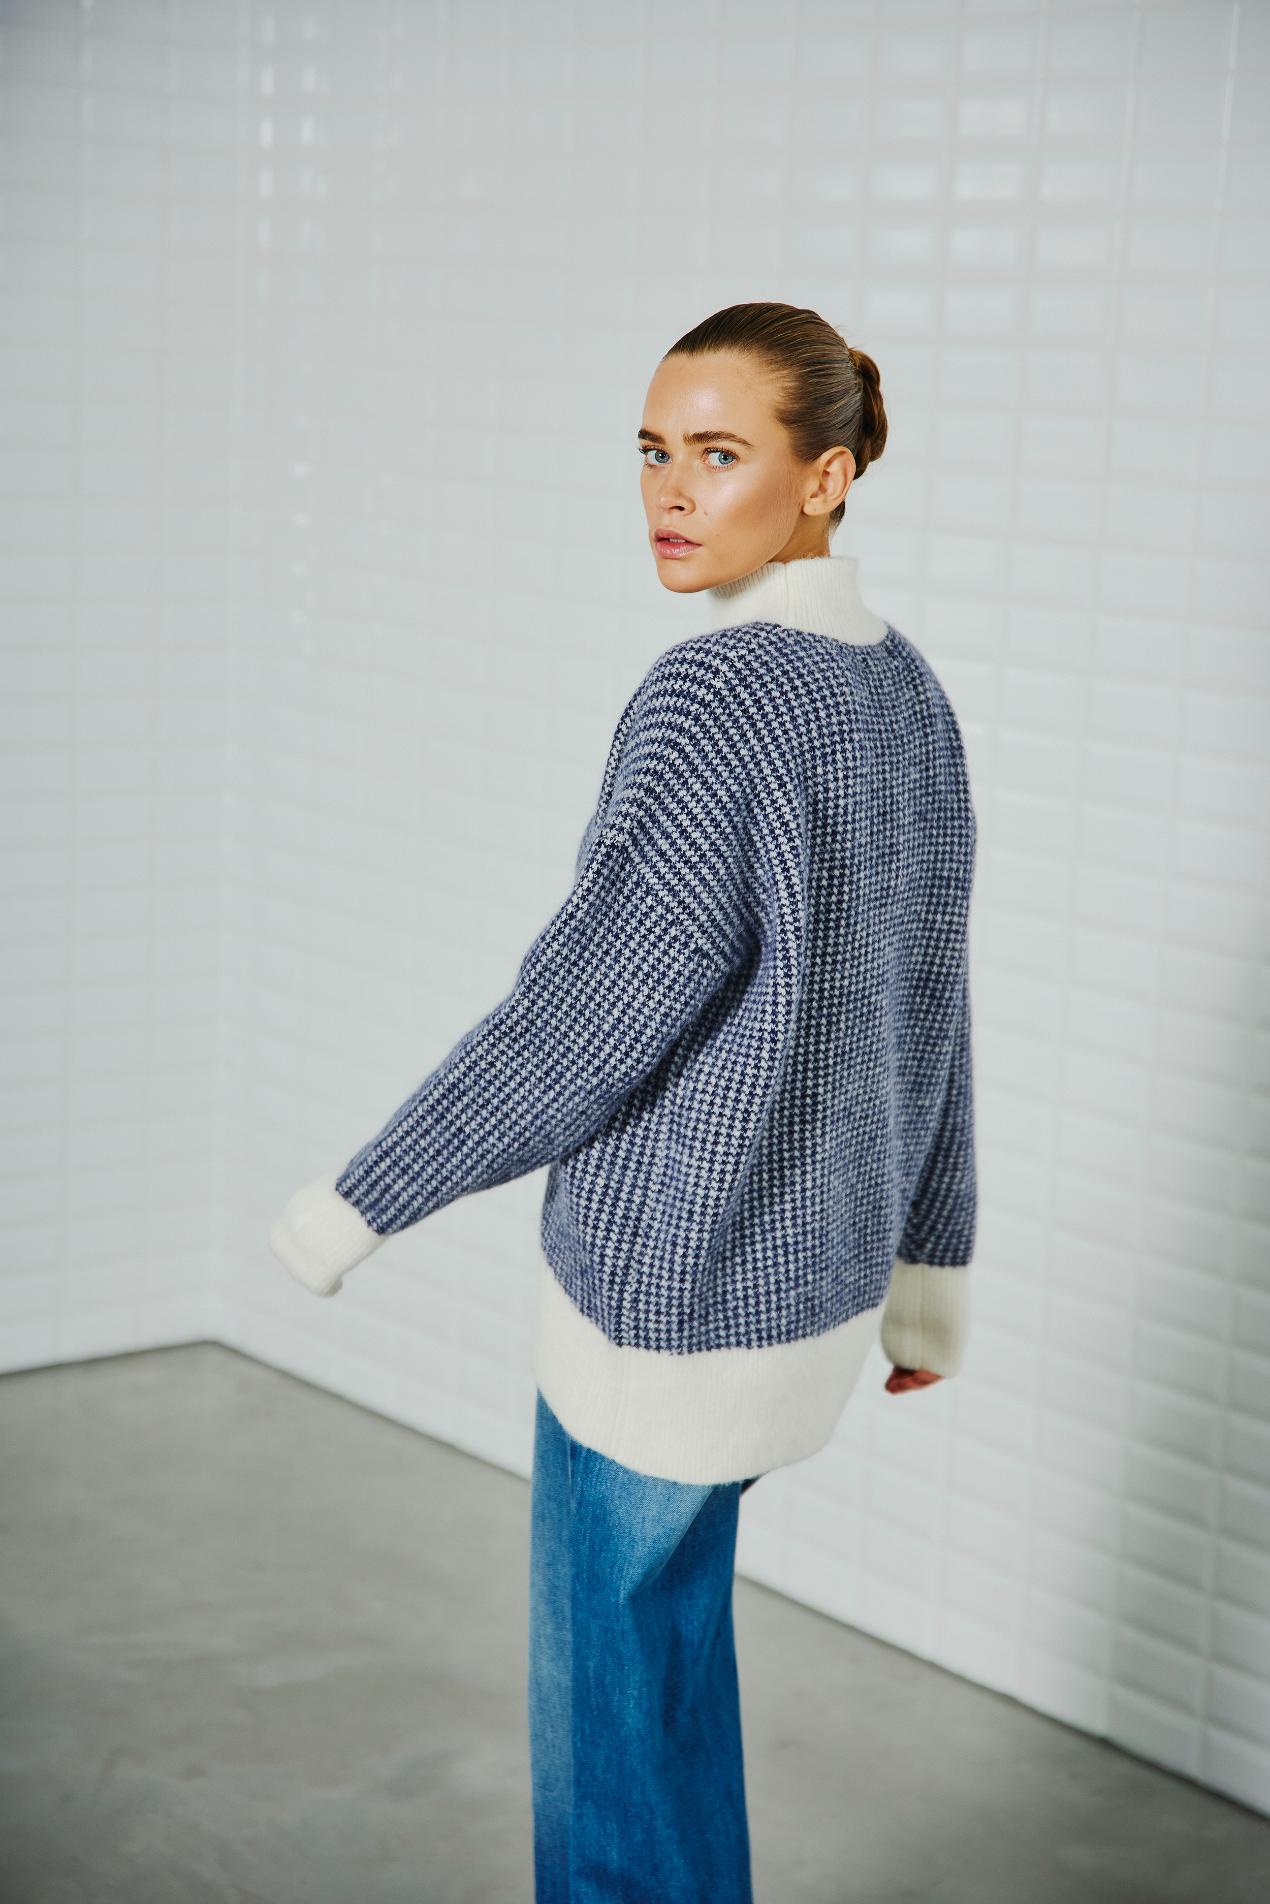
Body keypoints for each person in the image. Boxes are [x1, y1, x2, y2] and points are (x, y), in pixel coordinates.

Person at [269, 301, 978, 1903]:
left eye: (718, 454)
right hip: (810, 1291)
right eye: (653, 451)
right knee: (668, 1684)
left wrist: (354, 1204)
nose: (668, 490)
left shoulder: (713, 698)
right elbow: (931, 1005)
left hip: (665, 1302)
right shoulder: (907, 693)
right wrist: (927, 1276)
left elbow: (581, 1023)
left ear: (825, 476)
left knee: (613, 1740)